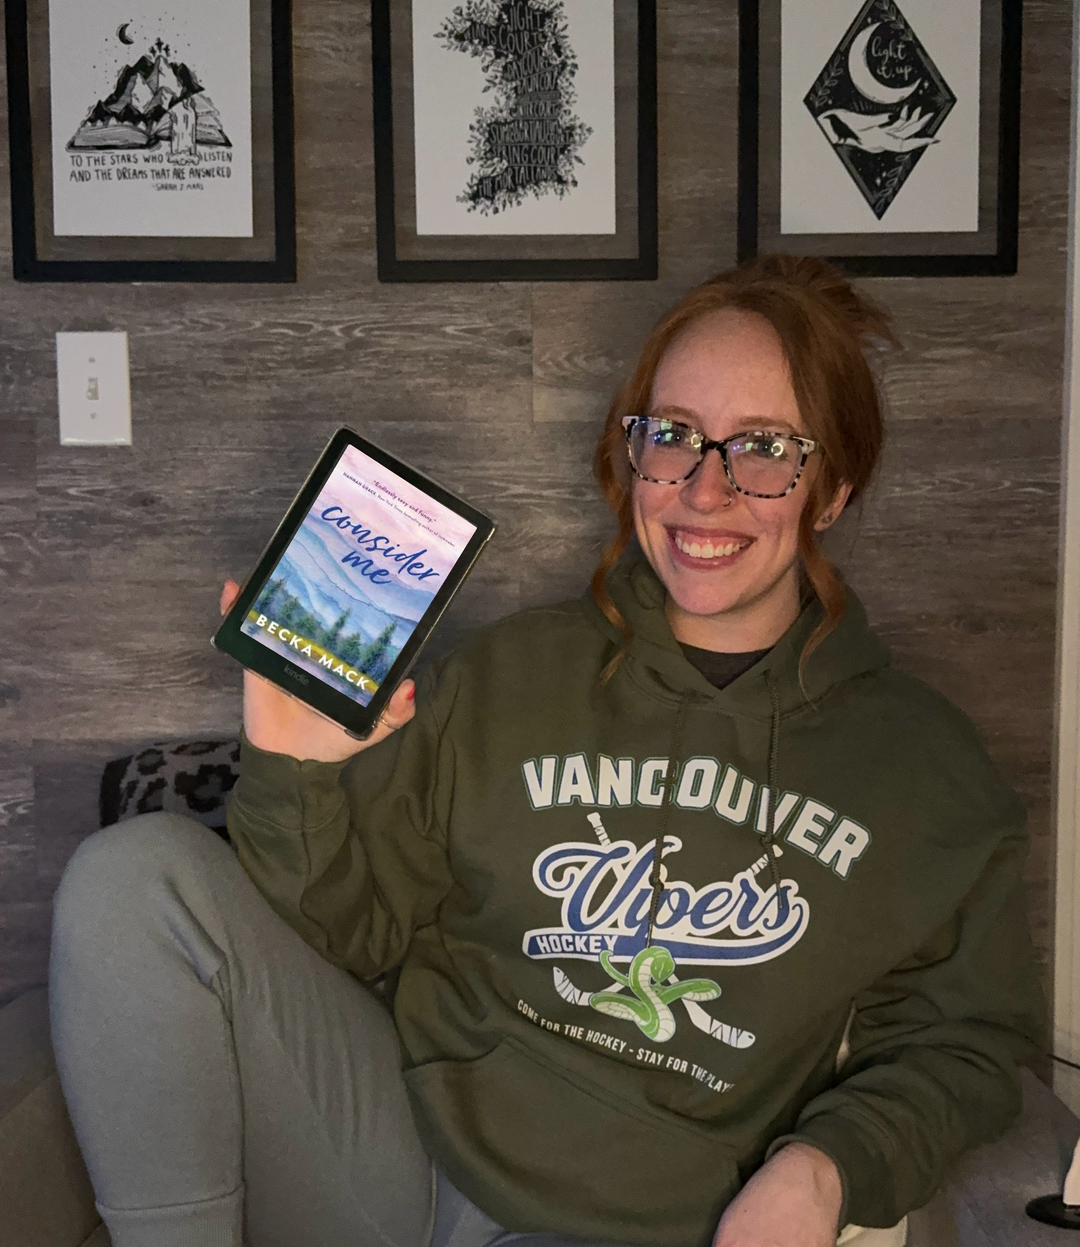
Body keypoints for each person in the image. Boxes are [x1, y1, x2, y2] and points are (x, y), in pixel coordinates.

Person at [49, 255, 1045, 1247]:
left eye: (766, 449)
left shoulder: (925, 771)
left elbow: (965, 1048)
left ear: (830, 490)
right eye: (675, 438)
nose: (707, 491)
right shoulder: (510, 674)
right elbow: (347, 932)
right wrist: (295, 769)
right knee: (132, 877)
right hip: (400, 1153)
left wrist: (824, 1170)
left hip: (643, 1218)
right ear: (631, 457)